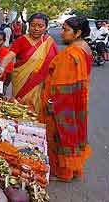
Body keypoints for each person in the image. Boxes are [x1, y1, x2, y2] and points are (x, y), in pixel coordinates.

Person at [40, 16, 92, 182]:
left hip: (64, 101)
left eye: (66, 29)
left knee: (61, 134)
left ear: (77, 33)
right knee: (74, 132)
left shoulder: (71, 53)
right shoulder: (85, 48)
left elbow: (62, 84)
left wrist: (51, 103)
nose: (62, 33)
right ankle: (72, 169)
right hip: (77, 98)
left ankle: (63, 172)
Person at [0, 13, 58, 113]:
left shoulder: (50, 43)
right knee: (18, 109)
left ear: (46, 27)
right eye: (33, 25)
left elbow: (55, 65)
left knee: (35, 110)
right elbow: (10, 55)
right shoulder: (21, 40)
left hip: (40, 83)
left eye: (40, 26)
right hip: (21, 81)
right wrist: (2, 67)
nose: (36, 29)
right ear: (29, 25)